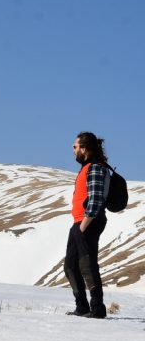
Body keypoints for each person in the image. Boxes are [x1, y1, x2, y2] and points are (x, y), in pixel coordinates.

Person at [64, 131, 110, 318]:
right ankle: (81, 306)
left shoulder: (96, 168)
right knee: (70, 265)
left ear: (84, 148)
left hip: (89, 222)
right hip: (79, 223)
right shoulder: (85, 168)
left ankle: (97, 308)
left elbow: (97, 199)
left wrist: (84, 224)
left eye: (75, 147)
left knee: (87, 264)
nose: (73, 150)